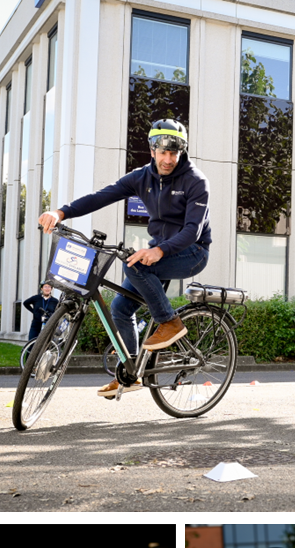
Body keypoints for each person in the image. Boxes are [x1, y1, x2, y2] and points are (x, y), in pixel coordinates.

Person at [39, 119, 211, 398]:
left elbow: (193, 230)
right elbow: (102, 196)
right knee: (119, 308)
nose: (168, 159)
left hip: (192, 252)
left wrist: (158, 251)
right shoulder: (142, 177)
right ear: (152, 150)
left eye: (174, 153)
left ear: (182, 151)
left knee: (135, 266)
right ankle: (129, 373)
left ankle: (169, 323)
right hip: (161, 250)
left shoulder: (195, 181)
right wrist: (61, 213)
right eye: (162, 152)